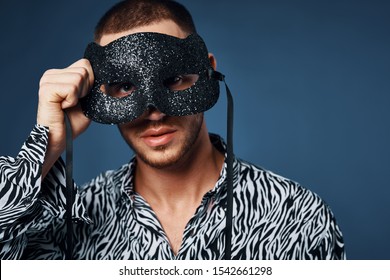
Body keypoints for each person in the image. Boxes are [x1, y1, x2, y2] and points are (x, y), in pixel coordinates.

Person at [0, 0, 345, 260]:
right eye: (124, 87)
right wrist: (46, 148)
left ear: (206, 71)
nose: (154, 113)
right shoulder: (71, 222)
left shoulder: (297, 215)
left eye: (175, 79)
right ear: (96, 93)